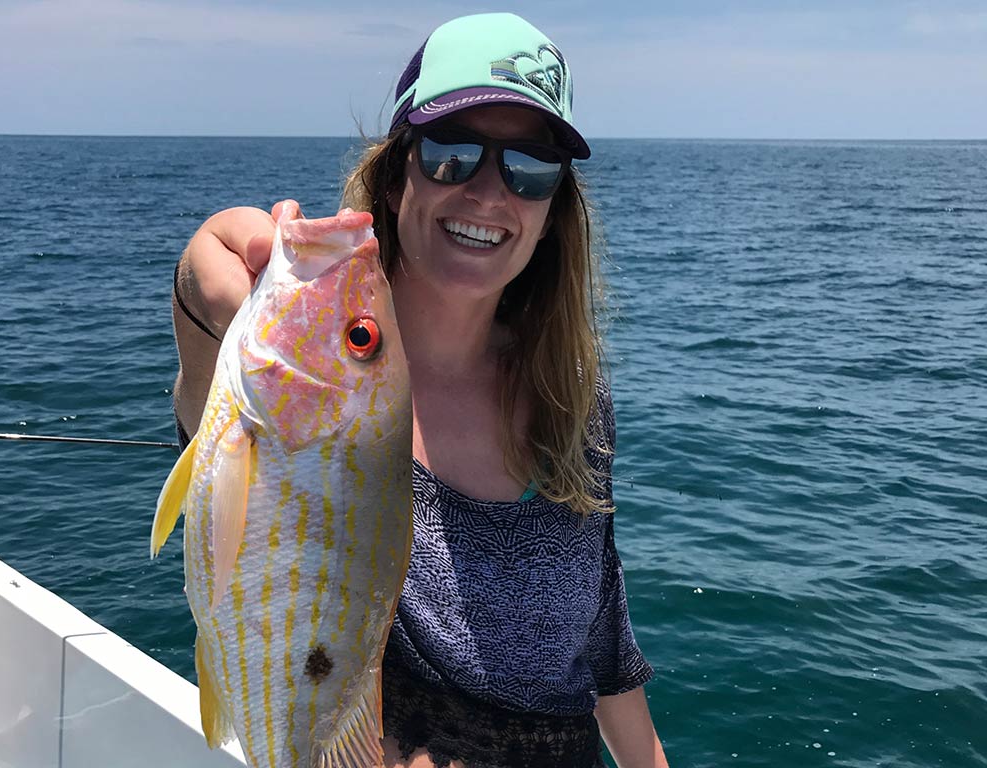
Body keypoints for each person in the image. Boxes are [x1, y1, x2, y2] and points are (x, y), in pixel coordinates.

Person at [170, 12, 669, 768]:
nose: (489, 192)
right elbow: (215, 429)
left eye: (531, 167)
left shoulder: (573, 400)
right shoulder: (307, 380)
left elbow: (601, 638)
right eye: (452, 153)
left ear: (551, 215)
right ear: (398, 172)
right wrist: (204, 291)